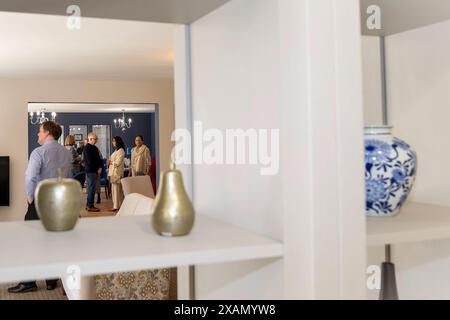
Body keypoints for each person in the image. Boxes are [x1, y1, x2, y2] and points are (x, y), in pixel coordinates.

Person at [8, 121, 71, 294]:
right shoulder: (66, 153)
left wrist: (29, 197)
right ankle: (51, 280)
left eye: (40, 131)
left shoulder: (39, 152)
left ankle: (28, 282)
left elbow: (30, 177)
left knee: (30, 243)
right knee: (52, 241)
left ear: (48, 133)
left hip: (39, 202)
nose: (38, 134)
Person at [83, 132, 102, 212]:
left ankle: (89, 205)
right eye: (95, 139)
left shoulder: (94, 147)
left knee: (93, 189)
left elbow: (99, 158)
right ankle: (90, 206)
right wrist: (97, 168)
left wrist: (100, 167)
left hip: (95, 170)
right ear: (90, 139)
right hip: (91, 171)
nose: (96, 140)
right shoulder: (87, 148)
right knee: (91, 189)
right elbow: (90, 161)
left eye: (96, 139)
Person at [107, 137, 126, 212]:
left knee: (116, 190)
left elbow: (117, 162)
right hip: (113, 172)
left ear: (118, 142)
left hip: (117, 173)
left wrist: (110, 162)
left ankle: (116, 206)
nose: (113, 142)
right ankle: (118, 205)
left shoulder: (121, 151)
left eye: (114, 141)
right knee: (115, 190)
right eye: (112, 141)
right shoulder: (116, 150)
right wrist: (110, 161)